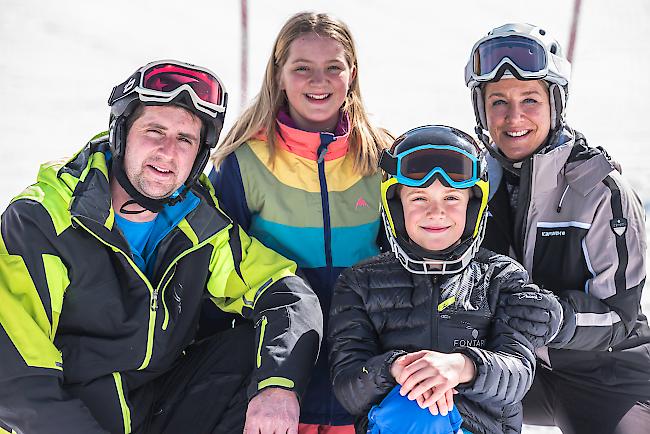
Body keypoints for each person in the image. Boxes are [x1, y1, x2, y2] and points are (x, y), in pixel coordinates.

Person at [0, 59, 322, 434]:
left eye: (185, 140)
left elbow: (284, 291)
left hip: (156, 408)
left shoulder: (196, 222)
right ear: (122, 133)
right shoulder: (43, 221)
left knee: (252, 352)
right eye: (155, 131)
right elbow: (17, 382)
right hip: (67, 420)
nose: (168, 152)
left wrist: (279, 387)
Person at [203, 12, 393, 433]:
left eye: (333, 68)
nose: (318, 81)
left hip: (361, 371)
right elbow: (218, 267)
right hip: (279, 376)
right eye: (302, 68)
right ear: (279, 73)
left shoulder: (381, 156)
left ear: (352, 73)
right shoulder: (246, 160)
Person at [465, 23, 650, 433]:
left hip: (605, 374)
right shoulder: (470, 188)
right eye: (498, 102)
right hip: (512, 370)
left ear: (555, 103)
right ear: (481, 109)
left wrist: (558, 318)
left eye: (530, 99)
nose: (514, 118)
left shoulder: (601, 191)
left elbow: (619, 317)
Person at [328, 125, 554, 433]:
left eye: (451, 198)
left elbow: (518, 374)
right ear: (395, 208)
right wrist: (397, 369)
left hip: (479, 427)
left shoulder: (502, 278)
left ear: (473, 207)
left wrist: (461, 367)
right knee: (418, 411)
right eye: (419, 198)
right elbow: (348, 388)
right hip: (399, 423)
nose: (436, 212)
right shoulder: (359, 283)